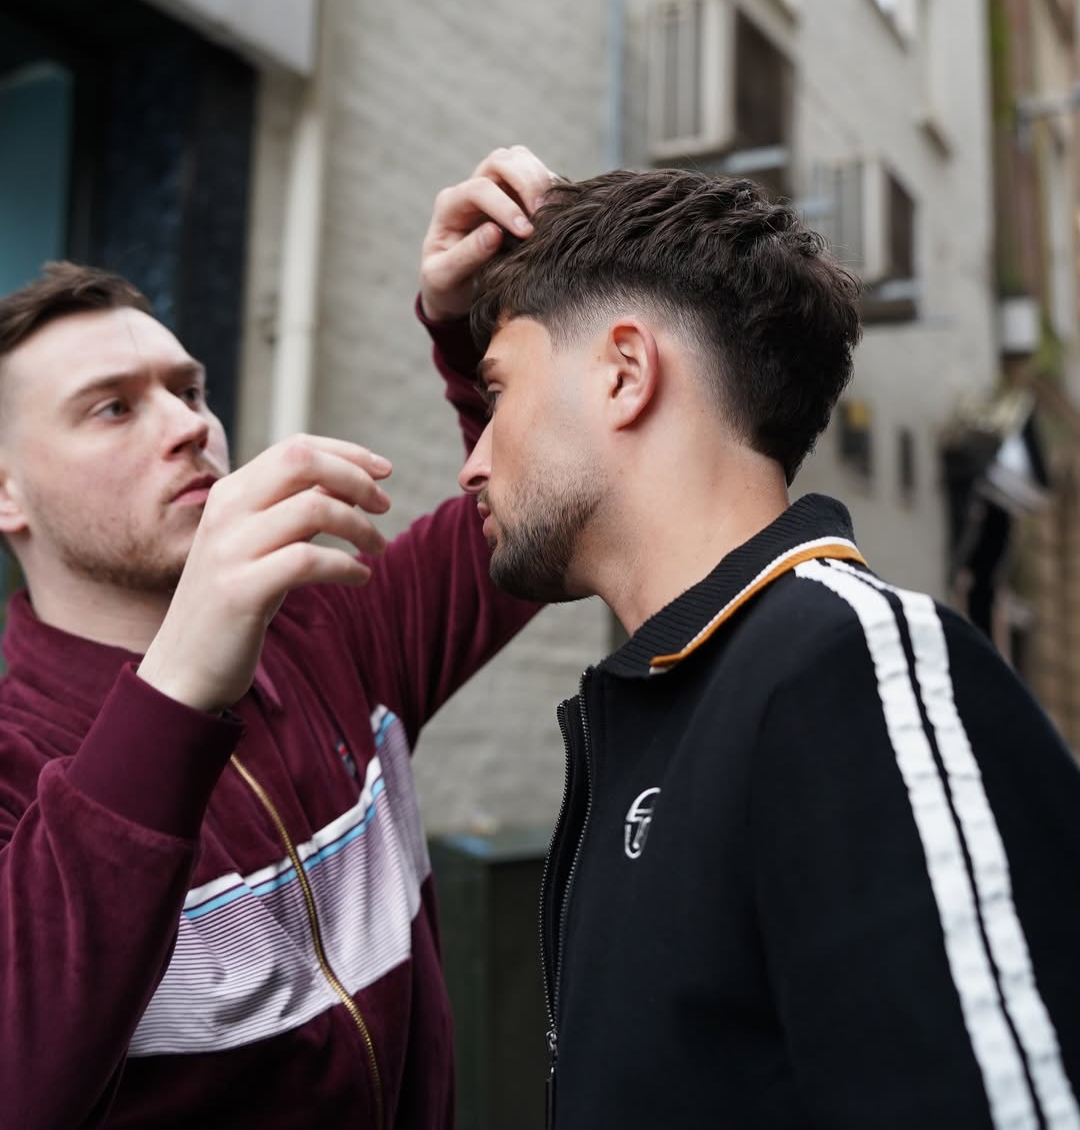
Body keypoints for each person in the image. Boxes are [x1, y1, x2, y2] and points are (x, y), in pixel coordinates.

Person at [459, 166, 1080, 1130]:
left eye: (496, 391)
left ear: (625, 372)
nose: (472, 458)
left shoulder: (850, 668)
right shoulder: (681, 697)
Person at [0, 146, 552, 1130]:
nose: (188, 428)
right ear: (7, 493)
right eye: (113, 407)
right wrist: (175, 691)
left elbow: (529, 523)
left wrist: (475, 328)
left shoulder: (329, 622)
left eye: (191, 390)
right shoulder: (13, 761)